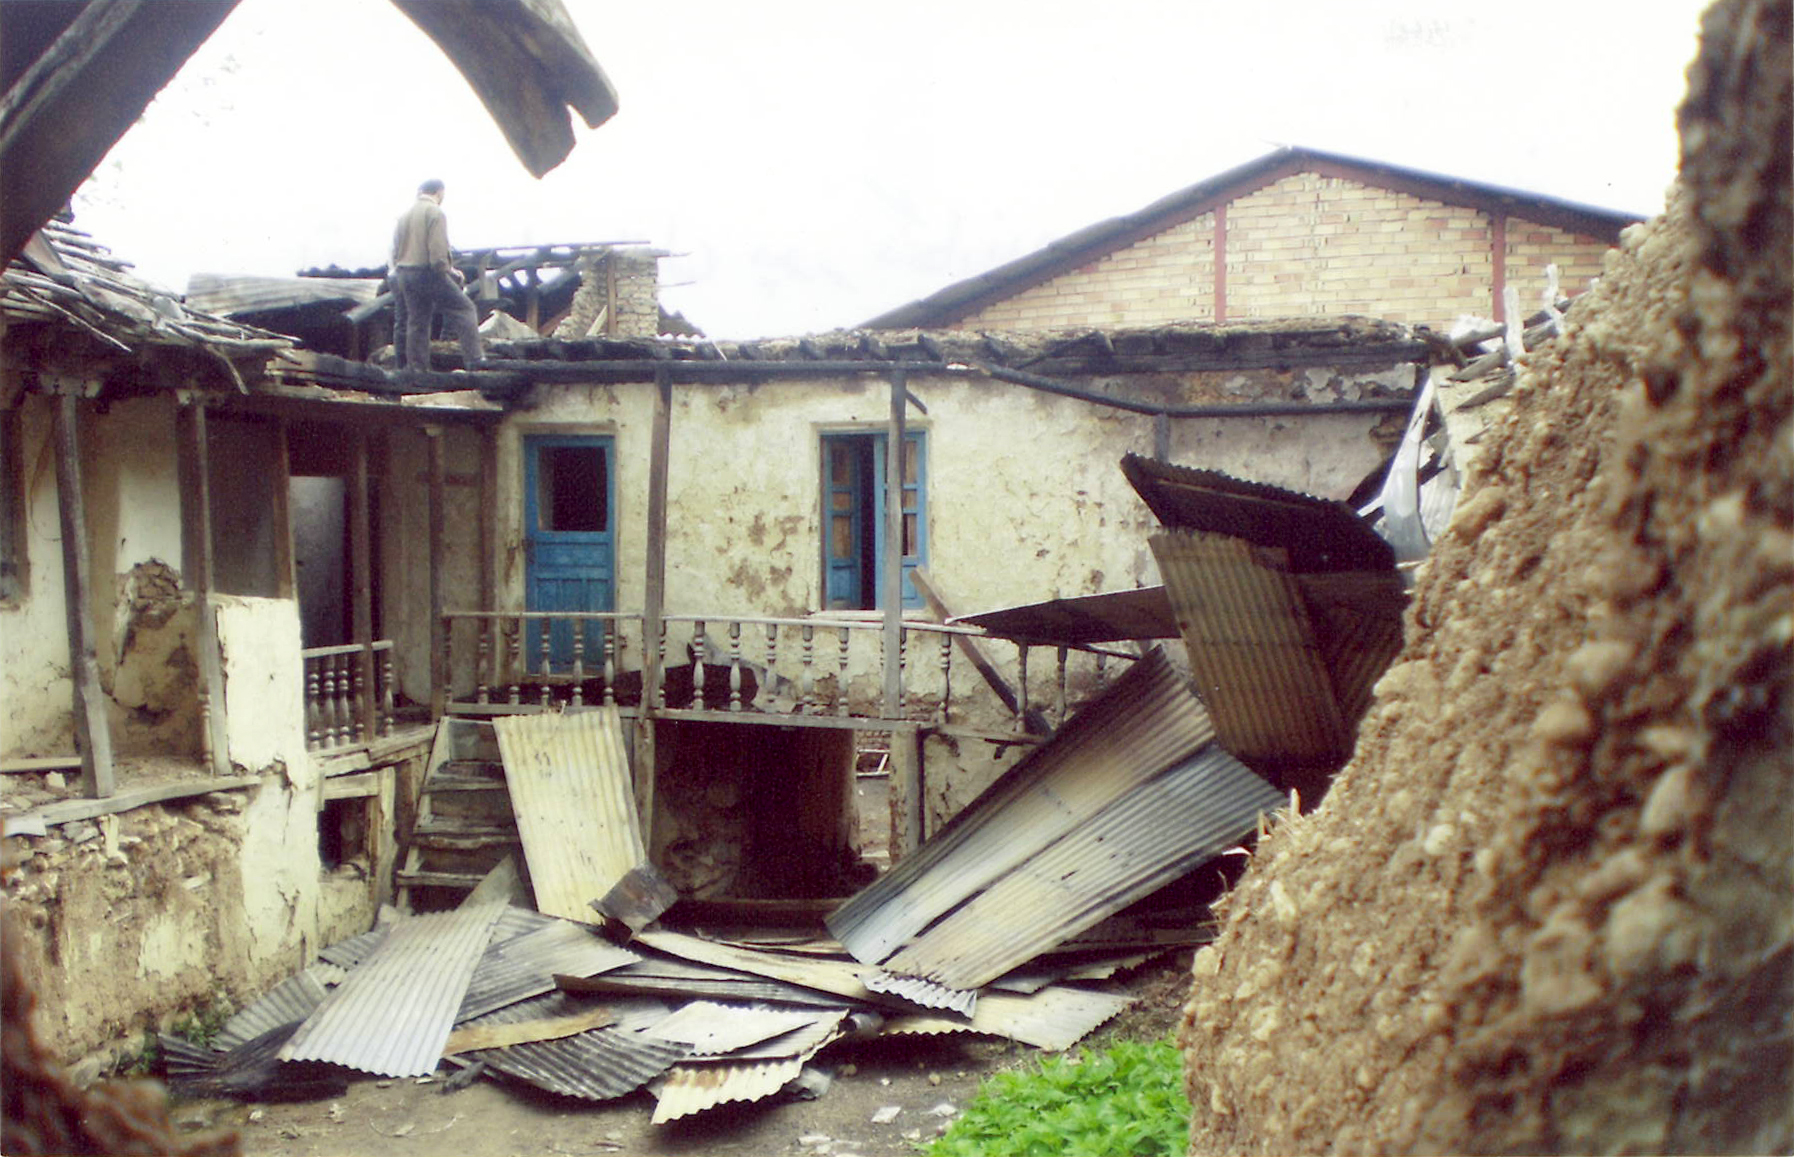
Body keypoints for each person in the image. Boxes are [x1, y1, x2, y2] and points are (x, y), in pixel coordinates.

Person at [390, 178, 483, 373]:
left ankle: (417, 368)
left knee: (417, 321)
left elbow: (396, 251)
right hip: (427, 273)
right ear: (439, 192)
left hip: (404, 273)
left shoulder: (404, 216)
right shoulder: (435, 213)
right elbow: (438, 254)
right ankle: (475, 361)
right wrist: (451, 273)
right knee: (465, 309)